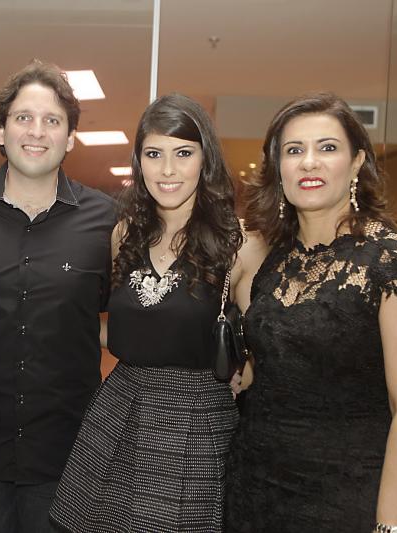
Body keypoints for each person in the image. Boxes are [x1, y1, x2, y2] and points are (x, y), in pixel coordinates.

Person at [227, 93, 397, 533]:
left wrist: (390, 528)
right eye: (294, 150)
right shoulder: (273, 259)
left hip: (350, 497)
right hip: (254, 488)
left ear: (357, 161)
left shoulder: (395, 264)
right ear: (278, 167)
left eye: (327, 147)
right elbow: (266, 367)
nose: (309, 162)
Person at [49, 93, 266, 532]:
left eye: (183, 153)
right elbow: (128, 325)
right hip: (118, 410)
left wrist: (244, 375)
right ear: (139, 162)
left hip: (195, 420)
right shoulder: (124, 234)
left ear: (205, 161)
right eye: (154, 154)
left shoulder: (242, 244)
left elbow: (268, 345)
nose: (167, 170)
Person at [0, 60, 116, 532]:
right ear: (1, 130)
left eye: (52, 120)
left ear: (69, 137)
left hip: (69, 454)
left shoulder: (107, 220)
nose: (37, 131)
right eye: (23, 117)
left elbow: (132, 318)